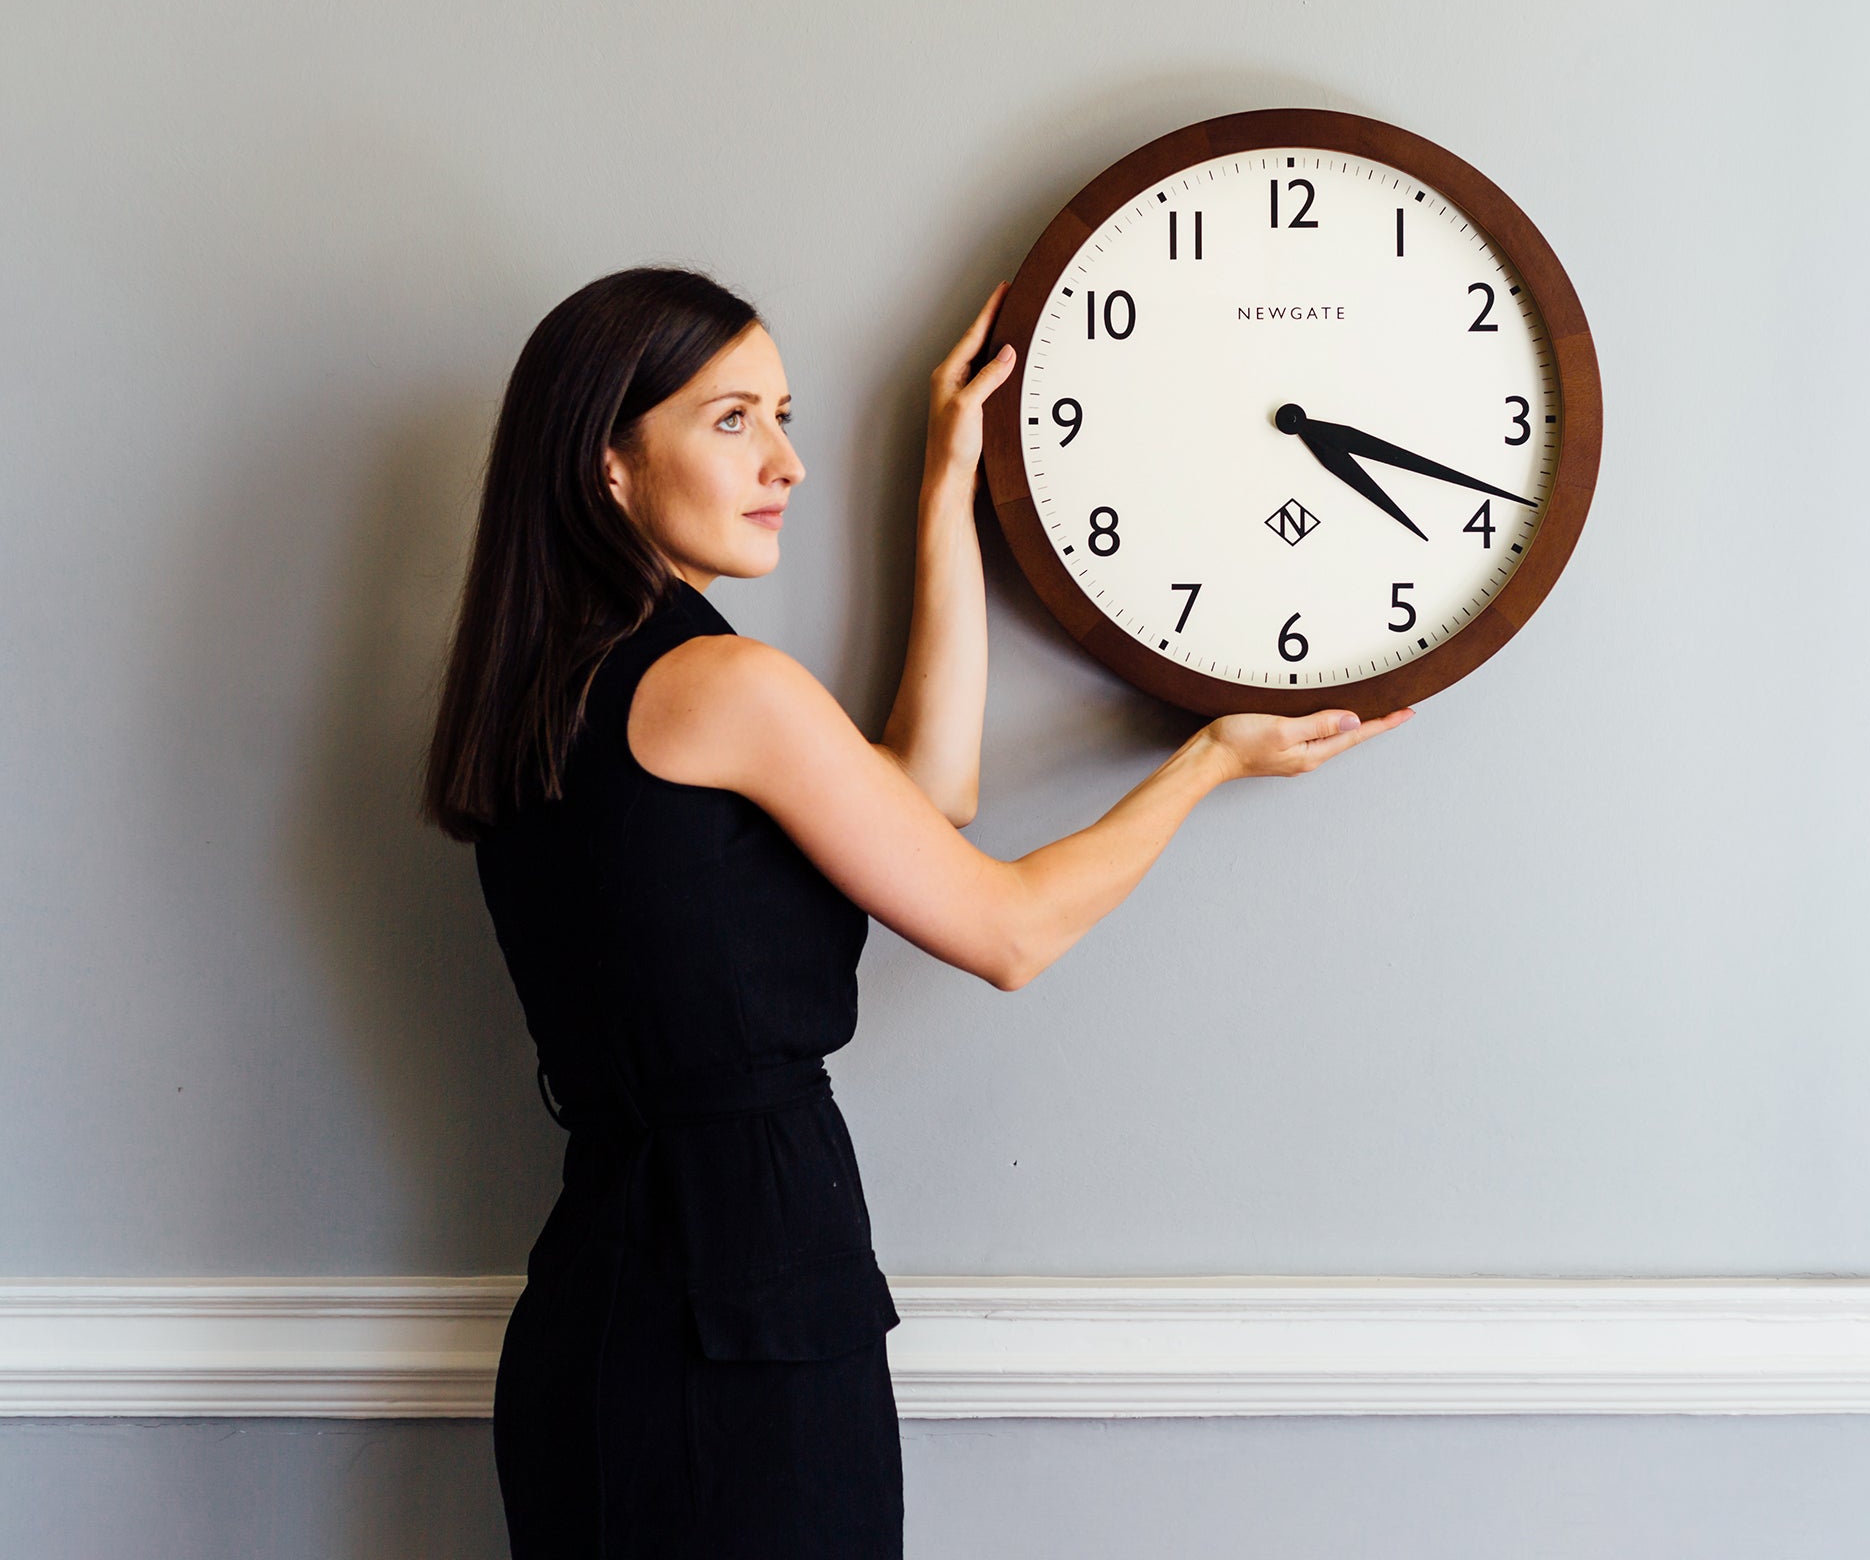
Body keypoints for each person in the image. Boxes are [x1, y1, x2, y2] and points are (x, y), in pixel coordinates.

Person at [422, 265, 1411, 1558]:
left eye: (784, 415)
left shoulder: (550, 690)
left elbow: (921, 795)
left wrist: (950, 479)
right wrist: (1207, 762)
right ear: (610, 463)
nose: (784, 461)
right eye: (731, 421)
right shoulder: (721, 687)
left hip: (619, 1306)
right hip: (736, 1316)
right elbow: (1008, 932)